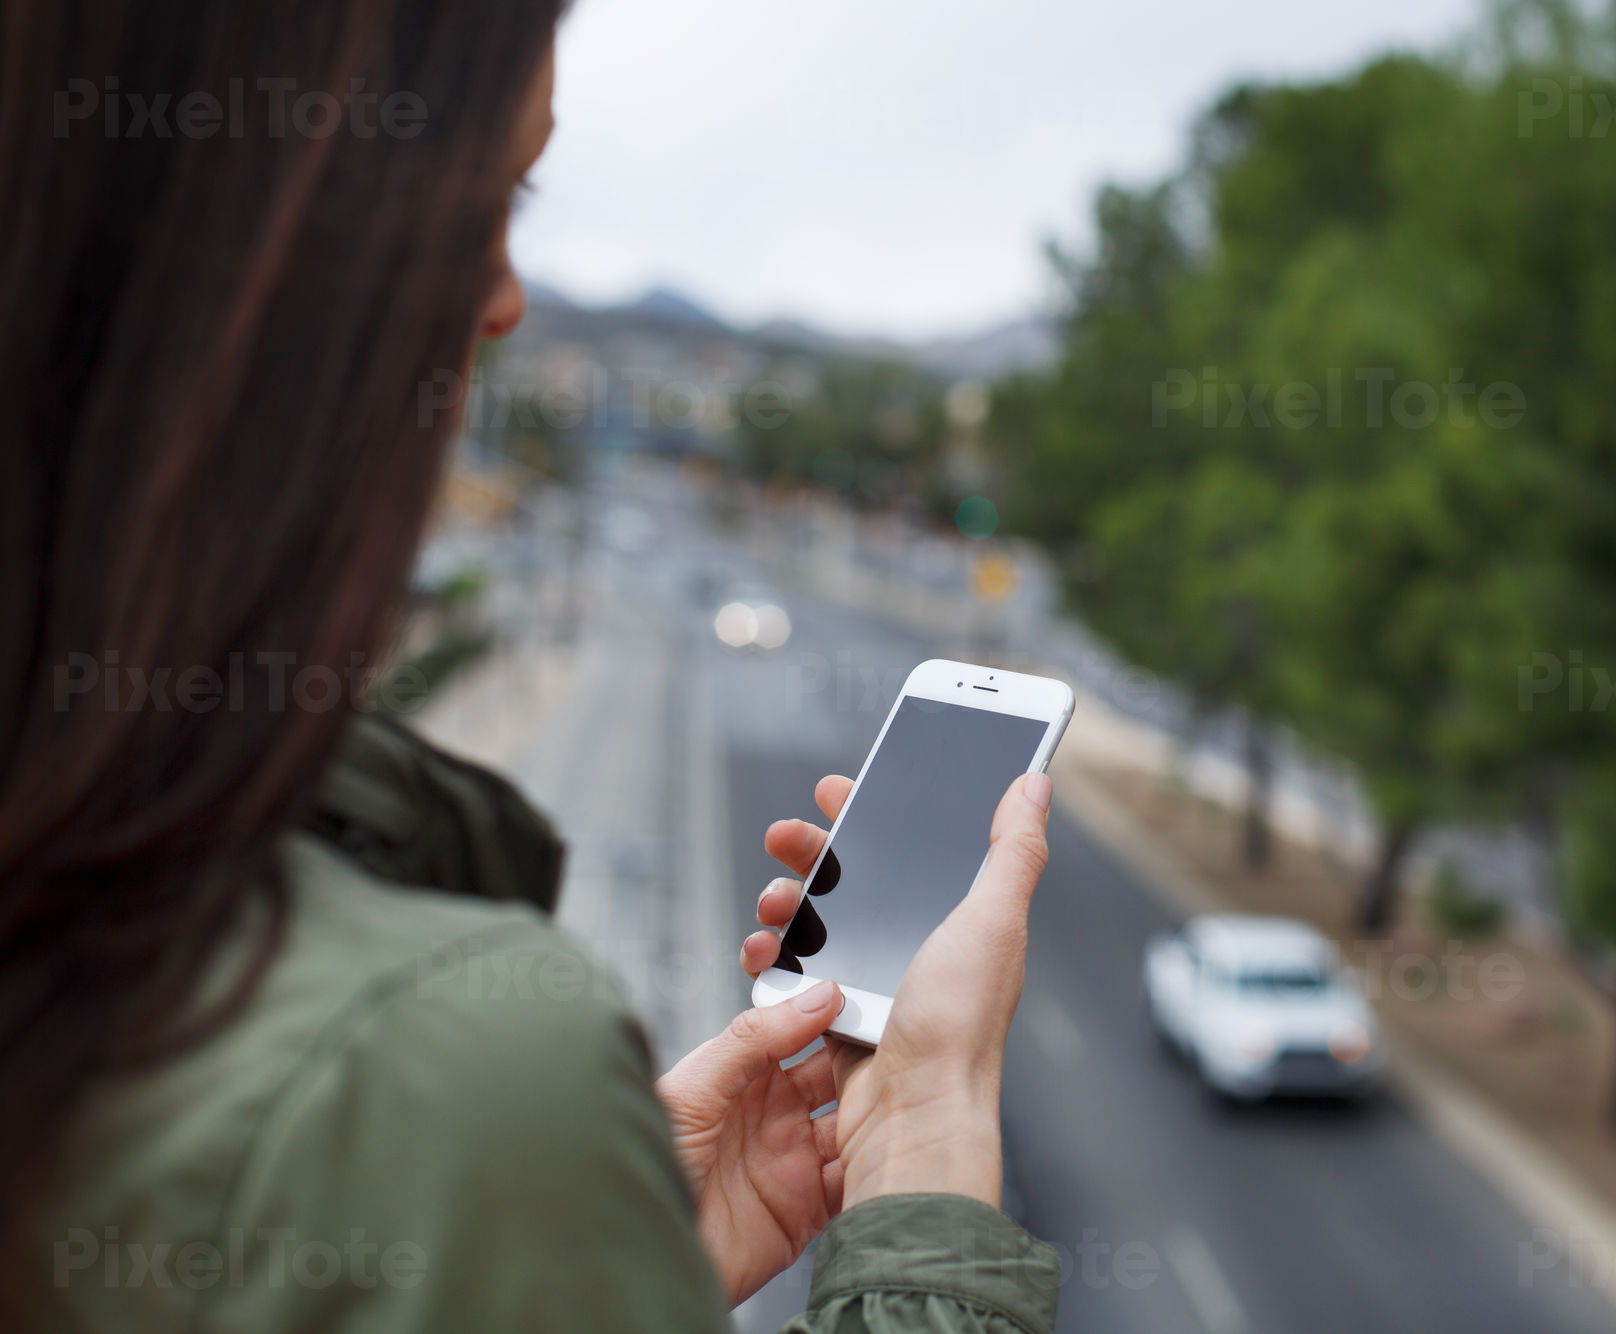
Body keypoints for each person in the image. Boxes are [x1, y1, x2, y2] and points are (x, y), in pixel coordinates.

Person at [0, 2, 1062, 1329]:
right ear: (250, 240)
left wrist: (598, 1261)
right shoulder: (422, 1084)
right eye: (481, 200)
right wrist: (927, 1153)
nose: (506, 299)